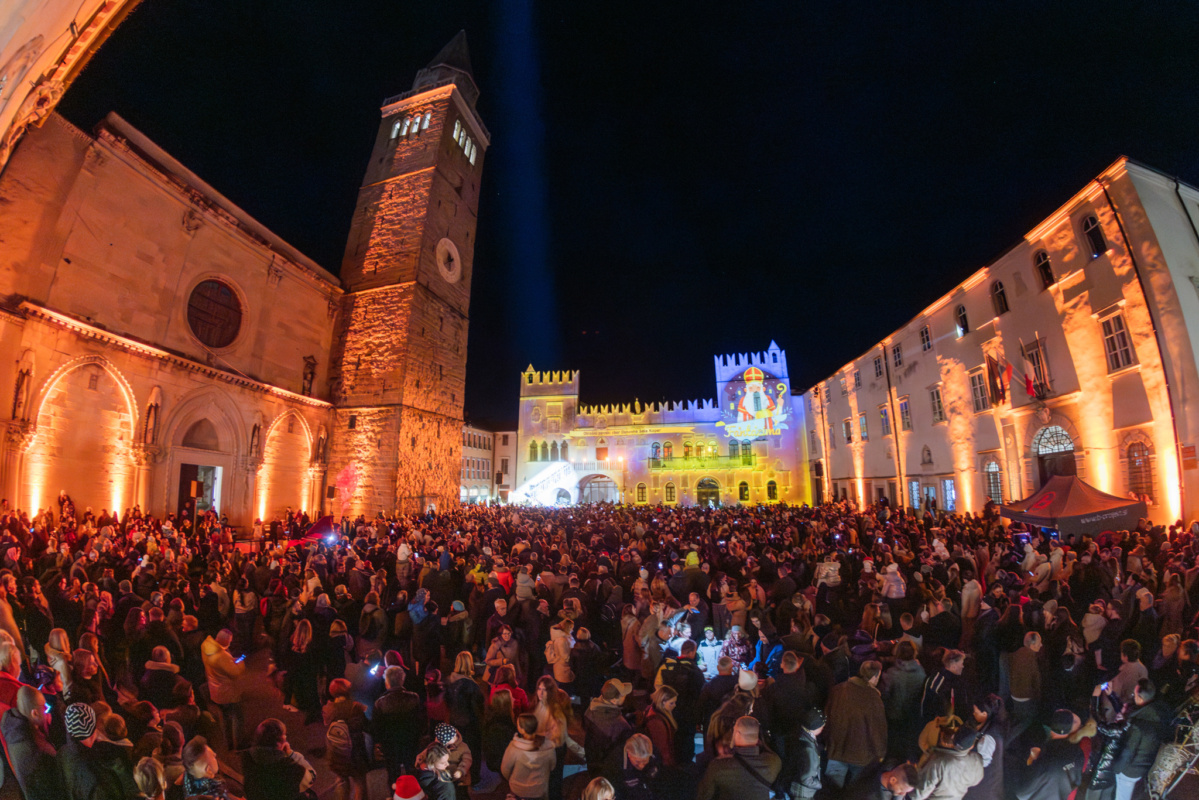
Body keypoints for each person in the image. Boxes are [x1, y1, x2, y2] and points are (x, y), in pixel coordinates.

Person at [825, 660, 887, 789]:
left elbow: (827, 717)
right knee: (857, 791)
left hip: (836, 750)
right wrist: (880, 754)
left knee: (831, 790)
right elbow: (878, 730)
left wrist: (826, 742)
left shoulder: (838, 690)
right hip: (861, 755)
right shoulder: (874, 698)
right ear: (874, 677)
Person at [696, 716, 782, 800]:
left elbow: (704, 796)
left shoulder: (718, 766)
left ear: (737, 734)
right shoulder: (774, 762)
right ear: (758, 738)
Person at [2, 685, 64, 800]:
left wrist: (44, 727)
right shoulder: (35, 751)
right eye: (44, 708)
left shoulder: (15, 728)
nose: (46, 710)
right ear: (34, 713)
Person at [1111, 679, 1167, 800]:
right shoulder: (1158, 715)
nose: (1133, 697)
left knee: (1122, 797)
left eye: (1134, 694)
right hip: (1144, 767)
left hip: (1129, 771)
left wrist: (1116, 769)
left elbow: (1127, 752)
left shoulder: (1138, 725)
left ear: (1140, 698)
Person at [1014, 710, 1084, 800]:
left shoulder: (1044, 755)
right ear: (1070, 728)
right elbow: (1077, 782)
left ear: (1051, 727)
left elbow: (1022, 792)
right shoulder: (1077, 752)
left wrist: (1031, 760)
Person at [241, 718, 317, 800]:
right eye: (284, 735)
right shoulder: (292, 769)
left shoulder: (247, 757)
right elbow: (311, 777)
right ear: (279, 741)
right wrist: (291, 754)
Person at [374, 665, 426, 783]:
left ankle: (396, 792)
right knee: (412, 770)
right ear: (402, 680)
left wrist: (380, 743)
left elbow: (377, 727)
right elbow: (421, 720)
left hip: (390, 744)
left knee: (393, 774)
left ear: (387, 682)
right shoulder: (414, 698)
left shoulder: (380, 703)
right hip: (410, 742)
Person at [909, 725, 985, 800]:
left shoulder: (938, 763)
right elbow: (976, 781)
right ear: (972, 746)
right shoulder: (976, 761)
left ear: (953, 737)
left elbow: (918, 794)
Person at [201, 629, 246, 749]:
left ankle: (228, 743)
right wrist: (239, 662)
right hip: (227, 692)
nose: (230, 644)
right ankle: (239, 744)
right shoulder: (221, 656)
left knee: (225, 717)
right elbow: (235, 673)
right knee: (237, 717)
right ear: (226, 641)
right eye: (229, 641)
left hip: (215, 690)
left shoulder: (206, 646)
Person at [584, 678, 634, 778]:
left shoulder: (590, 709)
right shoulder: (620, 724)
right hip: (607, 769)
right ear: (614, 700)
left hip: (592, 761)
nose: (625, 696)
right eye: (623, 695)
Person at [501, 713, 556, 800]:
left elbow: (505, 769)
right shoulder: (549, 746)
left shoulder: (514, 748)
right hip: (540, 789)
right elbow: (552, 766)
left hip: (518, 790)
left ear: (522, 729)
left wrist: (513, 780)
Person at [182, 735, 240, 800]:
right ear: (208, 770)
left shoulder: (189, 787)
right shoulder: (217, 793)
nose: (215, 754)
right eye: (213, 756)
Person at [790, 708, 825, 800]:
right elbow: (806, 779)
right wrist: (819, 785)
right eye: (822, 726)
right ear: (815, 727)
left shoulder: (802, 736)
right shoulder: (809, 750)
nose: (823, 727)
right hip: (804, 793)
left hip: (797, 787)